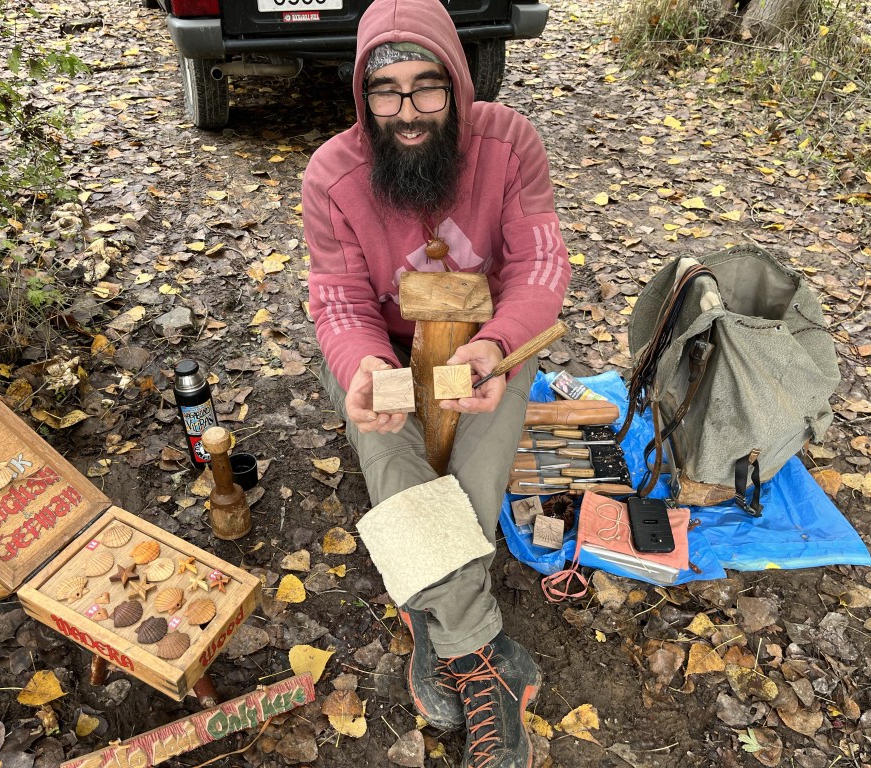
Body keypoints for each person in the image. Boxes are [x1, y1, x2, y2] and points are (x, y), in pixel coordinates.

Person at [303, 0, 570, 765]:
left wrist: (494, 348)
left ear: (457, 80)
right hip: (384, 351)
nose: (409, 112)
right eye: (386, 92)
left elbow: (539, 267)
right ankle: (483, 658)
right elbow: (338, 299)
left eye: (428, 87)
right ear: (363, 94)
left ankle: (434, 622)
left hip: (486, 346)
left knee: (474, 484)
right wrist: (365, 367)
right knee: (395, 465)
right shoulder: (332, 174)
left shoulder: (510, 143)